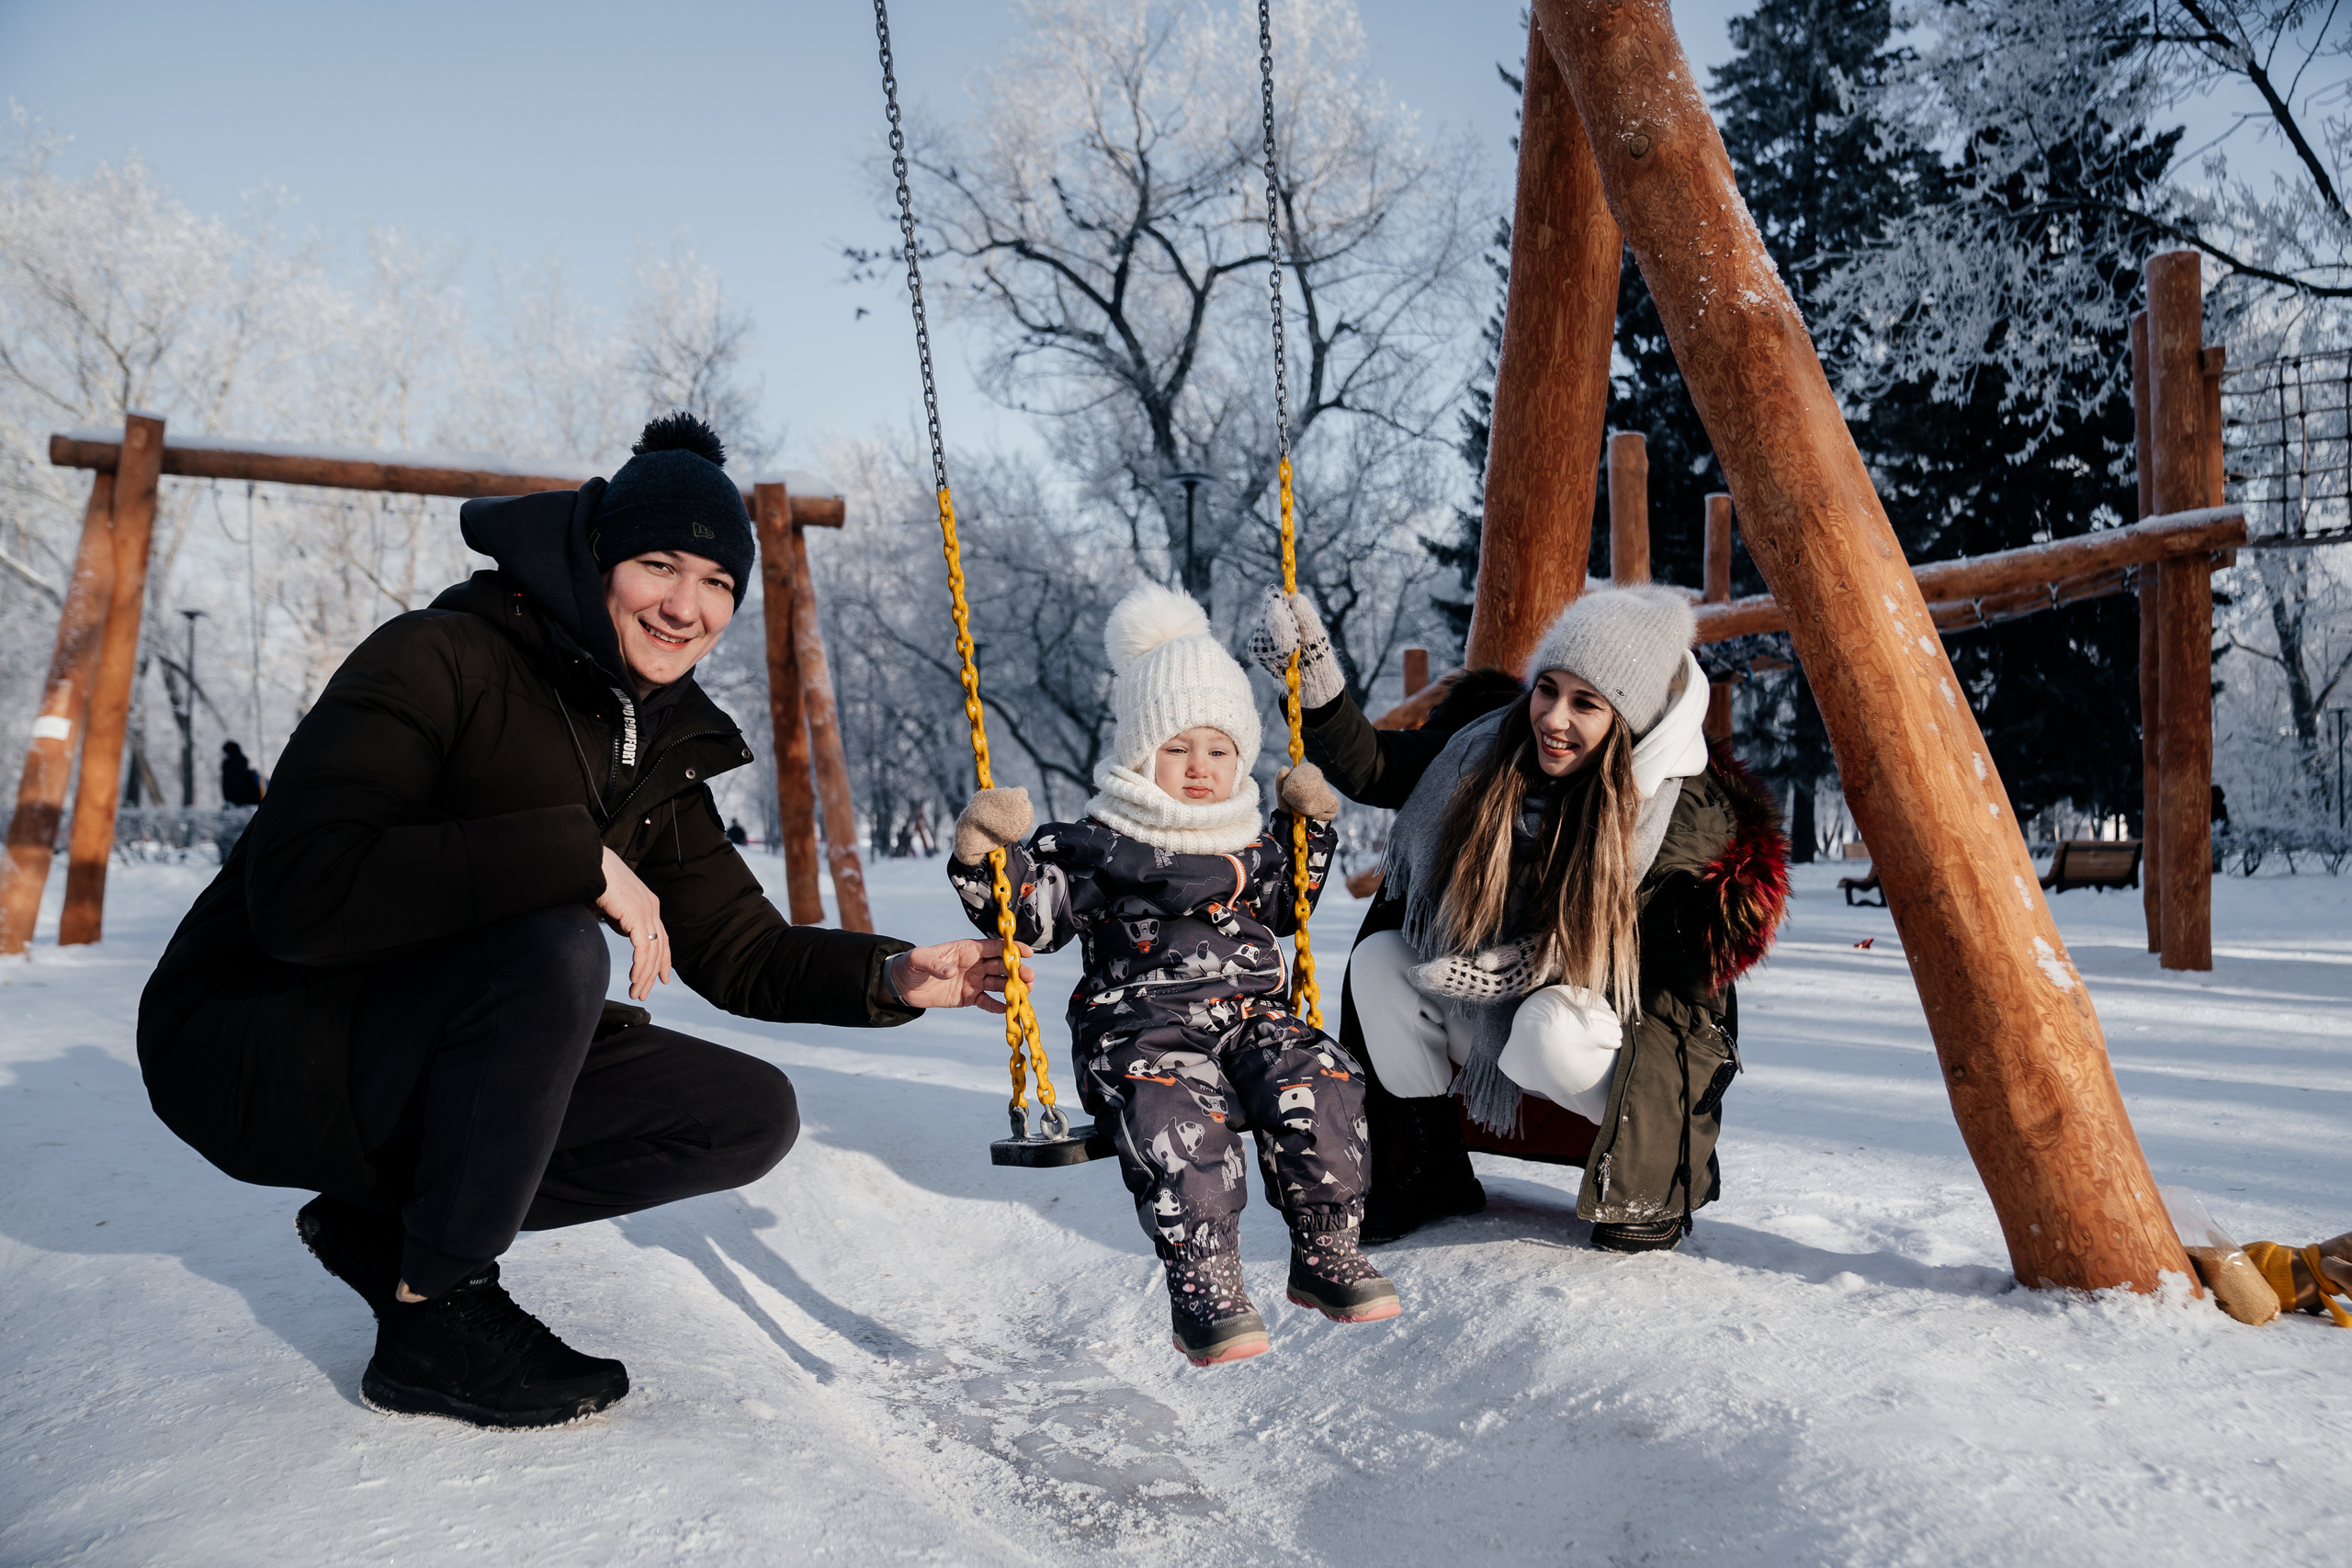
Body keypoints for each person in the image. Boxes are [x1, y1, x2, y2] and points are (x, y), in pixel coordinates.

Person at [138, 413, 1029, 1431]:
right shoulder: (438, 658)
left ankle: (391, 1229)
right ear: (598, 558)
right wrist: (570, 854)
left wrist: (894, 976)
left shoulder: (653, 743)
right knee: (554, 946)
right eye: (659, 565)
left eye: (717, 585)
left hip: (410, 1043)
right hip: (249, 1036)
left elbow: (740, 950)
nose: (684, 606)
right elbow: (302, 890)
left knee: (743, 1114)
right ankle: (438, 1316)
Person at [1252, 585, 1789, 1253]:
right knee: (1382, 964)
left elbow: (1685, 974)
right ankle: (1432, 1166)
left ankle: (1646, 1180)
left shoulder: (1682, 812)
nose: (1553, 717)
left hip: (1620, 1036)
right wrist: (1318, 681)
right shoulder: (1490, 748)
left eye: (1586, 703)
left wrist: (1543, 957)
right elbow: (1383, 769)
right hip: (1493, 998)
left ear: (1630, 718)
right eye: (1548, 689)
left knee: (1546, 1028)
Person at [947, 584, 1395, 1368]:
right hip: (1142, 1031)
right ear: (1140, 754)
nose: (1199, 767)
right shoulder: (1101, 844)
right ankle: (1206, 1278)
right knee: (1172, 1109)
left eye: (1219, 750)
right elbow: (1036, 917)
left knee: (1324, 1071)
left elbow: (1292, 904)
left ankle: (1327, 1249)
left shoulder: (1252, 840)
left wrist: (1312, 827)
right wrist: (987, 855)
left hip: (1249, 1022)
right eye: (1177, 747)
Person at [219, 740, 264, 807]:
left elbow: (233, 787)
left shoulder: (229, 767)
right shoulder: (242, 765)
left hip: (240, 803)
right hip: (251, 801)